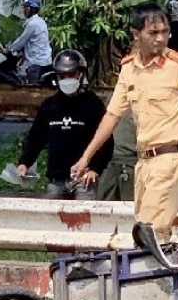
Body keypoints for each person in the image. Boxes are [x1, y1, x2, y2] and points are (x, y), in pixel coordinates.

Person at [72, 3, 178, 241]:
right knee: (152, 235)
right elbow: (112, 115)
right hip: (143, 164)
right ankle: (168, 277)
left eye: (165, 32)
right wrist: (85, 158)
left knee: (150, 232)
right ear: (136, 35)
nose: (160, 39)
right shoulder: (129, 69)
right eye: (153, 33)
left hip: (171, 160)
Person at [17, 50, 112, 200]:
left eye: (71, 75)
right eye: (62, 75)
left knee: (84, 217)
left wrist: (95, 169)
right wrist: (24, 162)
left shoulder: (92, 104)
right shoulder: (49, 106)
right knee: (50, 219)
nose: (67, 79)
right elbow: (36, 137)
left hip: (84, 179)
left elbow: (106, 140)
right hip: (57, 179)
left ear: (80, 75)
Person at [1, 0, 51, 85]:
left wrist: (9, 48)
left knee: (33, 91)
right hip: (46, 61)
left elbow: (22, 41)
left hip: (36, 63)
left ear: (33, 9)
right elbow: (32, 42)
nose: (24, 10)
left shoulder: (32, 24)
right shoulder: (41, 21)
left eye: (26, 7)